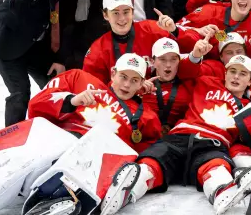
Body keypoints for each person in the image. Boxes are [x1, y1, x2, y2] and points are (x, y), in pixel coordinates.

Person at [99, 55, 251, 215]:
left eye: (243, 73)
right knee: (154, 160)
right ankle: (128, 190)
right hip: (179, 135)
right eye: (232, 71)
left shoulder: (250, 109)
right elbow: (184, 69)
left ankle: (221, 190)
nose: (236, 77)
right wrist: (141, 87)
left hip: (212, 143)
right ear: (225, 73)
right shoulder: (206, 81)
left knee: (215, 164)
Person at [27, 53, 162, 152]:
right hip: (58, 144)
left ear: (141, 83)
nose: (127, 85)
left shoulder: (147, 117)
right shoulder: (78, 78)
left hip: (99, 165)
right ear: (113, 73)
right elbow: (35, 105)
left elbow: (146, 156)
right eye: (123, 77)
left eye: (134, 80)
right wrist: (71, 100)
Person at [82, 0, 183, 84]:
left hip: (159, 93)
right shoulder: (98, 50)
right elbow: (92, 87)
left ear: (133, 12)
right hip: (120, 96)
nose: (122, 18)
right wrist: (129, 86)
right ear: (105, 15)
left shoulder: (153, 30)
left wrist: (174, 31)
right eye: (116, 13)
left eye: (126, 12)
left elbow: (187, 49)